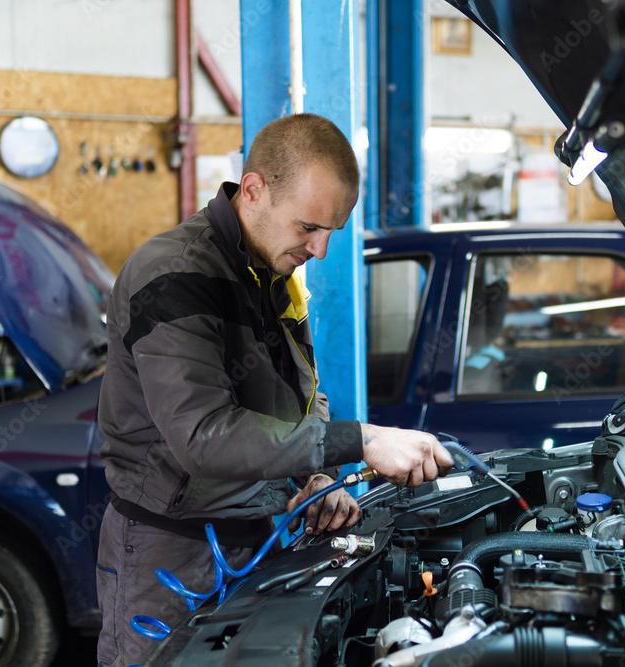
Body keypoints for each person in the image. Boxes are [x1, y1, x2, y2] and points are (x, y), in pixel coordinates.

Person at [95, 113, 453, 667]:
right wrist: (361, 440)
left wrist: (315, 479)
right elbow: (203, 436)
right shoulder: (173, 276)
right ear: (254, 190)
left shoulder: (272, 273)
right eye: (309, 227)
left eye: (332, 230)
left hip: (256, 537)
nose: (321, 249)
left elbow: (301, 396)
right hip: (169, 553)